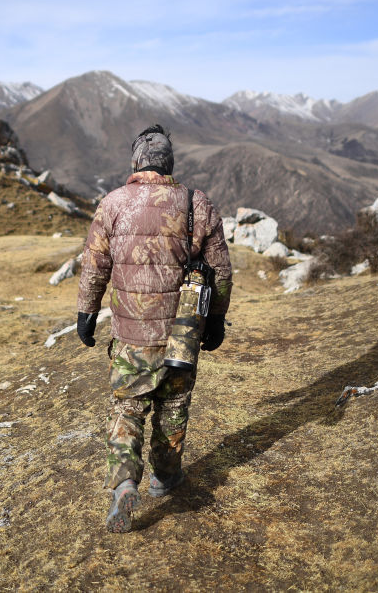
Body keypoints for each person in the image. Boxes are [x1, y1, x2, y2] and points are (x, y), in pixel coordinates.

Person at [76, 124, 233, 533]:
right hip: (182, 334)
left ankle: (125, 483)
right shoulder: (196, 204)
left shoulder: (112, 204)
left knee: (127, 409)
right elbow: (220, 270)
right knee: (173, 408)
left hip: (130, 338)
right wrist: (216, 319)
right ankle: (165, 477)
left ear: (135, 162)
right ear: (169, 163)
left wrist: (86, 312)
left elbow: (94, 266)